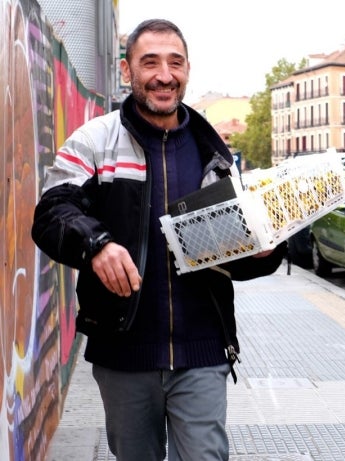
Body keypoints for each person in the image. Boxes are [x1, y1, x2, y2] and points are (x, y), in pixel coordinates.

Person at [31, 19, 286, 461]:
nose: (164, 75)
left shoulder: (216, 157)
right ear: (128, 70)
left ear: (188, 70)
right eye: (150, 62)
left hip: (203, 350)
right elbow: (52, 212)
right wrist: (97, 244)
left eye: (175, 63)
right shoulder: (94, 141)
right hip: (124, 354)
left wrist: (266, 251)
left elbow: (234, 258)